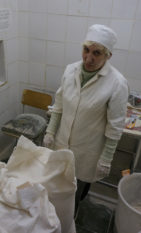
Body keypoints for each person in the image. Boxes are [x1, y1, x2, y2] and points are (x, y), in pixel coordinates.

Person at [43, 24, 129, 216]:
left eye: (97, 53)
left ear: (108, 56)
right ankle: (54, 218)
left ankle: (71, 219)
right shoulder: (70, 70)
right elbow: (59, 106)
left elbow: (115, 127)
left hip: (87, 151)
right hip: (62, 143)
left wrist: (106, 158)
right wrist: (50, 131)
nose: (89, 58)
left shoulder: (116, 83)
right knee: (58, 187)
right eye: (86, 50)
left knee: (77, 191)